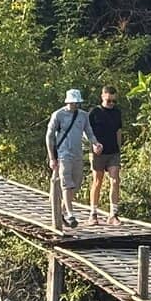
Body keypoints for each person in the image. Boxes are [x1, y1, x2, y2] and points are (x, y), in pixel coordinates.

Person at [46, 89, 102, 228]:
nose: (75, 105)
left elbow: (89, 132)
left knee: (76, 183)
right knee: (67, 184)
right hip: (63, 154)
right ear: (67, 101)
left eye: (77, 103)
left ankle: (62, 210)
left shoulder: (83, 116)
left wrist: (95, 143)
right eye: (72, 102)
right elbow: (50, 136)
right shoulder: (58, 115)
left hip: (77, 154)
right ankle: (70, 214)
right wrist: (52, 157)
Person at [88, 85, 123, 226]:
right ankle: (93, 213)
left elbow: (118, 131)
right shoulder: (94, 112)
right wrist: (94, 145)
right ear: (103, 97)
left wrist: (119, 148)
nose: (111, 104)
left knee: (115, 180)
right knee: (98, 181)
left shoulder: (117, 112)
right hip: (98, 152)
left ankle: (113, 214)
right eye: (109, 101)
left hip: (113, 151)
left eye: (114, 101)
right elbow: (87, 131)